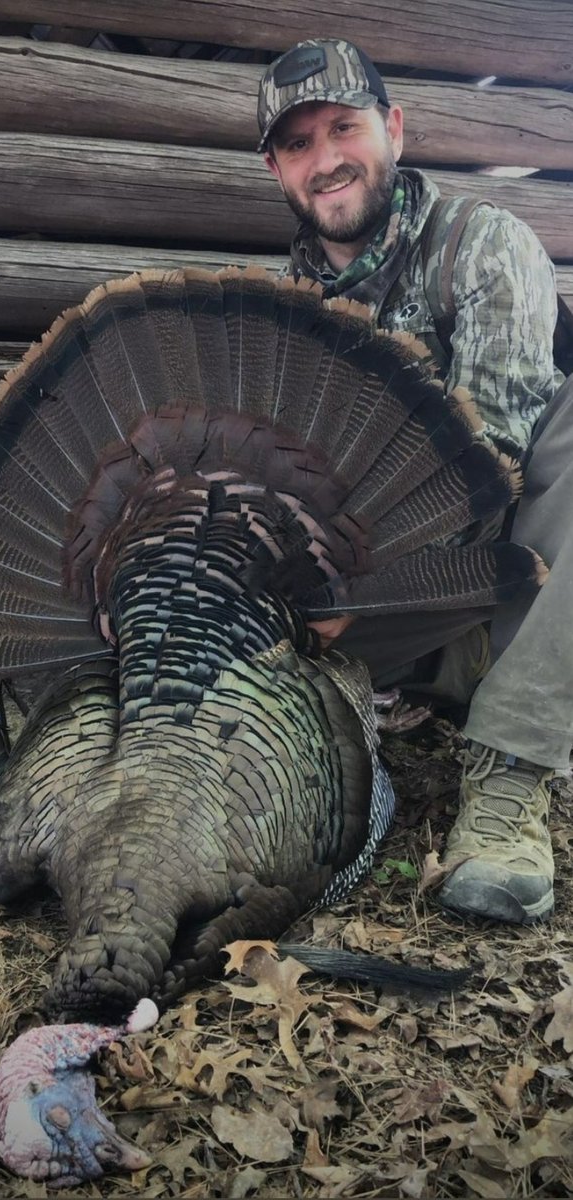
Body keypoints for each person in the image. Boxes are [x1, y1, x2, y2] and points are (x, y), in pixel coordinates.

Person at [256, 38, 573, 925]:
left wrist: (356, 587)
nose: (325, 160)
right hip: (378, 616)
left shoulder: (481, 246)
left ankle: (509, 780)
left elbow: (492, 469)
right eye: (297, 144)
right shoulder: (286, 303)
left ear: (392, 128)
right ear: (278, 169)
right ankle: (421, 685)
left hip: (508, 579)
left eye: (343, 128)